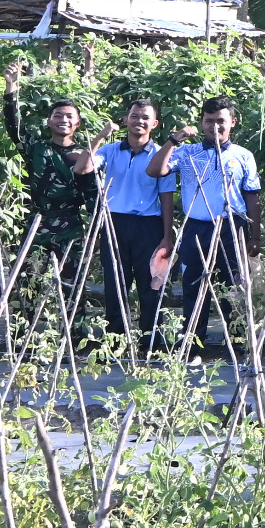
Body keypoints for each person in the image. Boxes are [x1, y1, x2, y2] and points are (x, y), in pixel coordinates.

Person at [149, 97, 263, 353]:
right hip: (196, 229)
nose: (215, 126)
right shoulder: (186, 153)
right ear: (202, 122)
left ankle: (237, 341)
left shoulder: (243, 155)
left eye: (221, 121)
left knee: (234, 286)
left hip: (232, 228)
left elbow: (252, 197)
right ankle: (193, 341)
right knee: (193, 285)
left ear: (232, 122)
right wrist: (174, 139)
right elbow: (154, 170)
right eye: (209, 121)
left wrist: (255, 236)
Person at [84, 97, 170, 345]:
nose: (139, 121)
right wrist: (100, 136)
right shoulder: (110, 151)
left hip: (149, 225)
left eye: (145, 117)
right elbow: (83, 168)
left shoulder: (160, 155)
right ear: (125, 120)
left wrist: (167, 235)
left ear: (155, 123)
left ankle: (150, 341)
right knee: (115, 282)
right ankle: (115, 340)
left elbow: (166, 196)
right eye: (134, 116)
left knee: (150, 284)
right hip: (115, 224)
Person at [3, 60, 97, 268]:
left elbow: (92, 194)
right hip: (38, 224)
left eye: (69, 116)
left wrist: (94, 233)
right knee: (29, 279)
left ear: (78, 123)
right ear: (49, 121)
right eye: (58, 116)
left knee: (70, 280)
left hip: (70, 226)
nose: (63, 120)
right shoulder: (35, 148)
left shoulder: (84, 155)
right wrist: (11, 87)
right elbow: (13, 125)